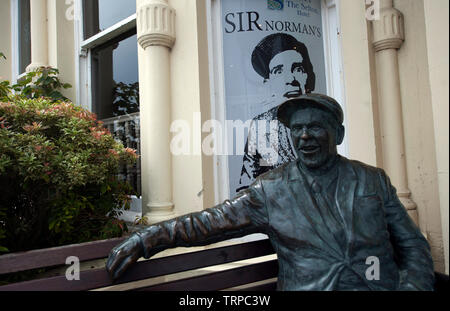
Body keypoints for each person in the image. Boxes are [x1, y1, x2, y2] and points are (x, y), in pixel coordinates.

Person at [106, 93, 435, 291]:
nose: (304, 136)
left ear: (339, 132)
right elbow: (205, 223)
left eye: (315, 126)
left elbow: (412, 243)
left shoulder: (372, 180)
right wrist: (145, 239)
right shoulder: (270, 190)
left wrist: (413, 285)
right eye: (297, 129)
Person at [236, 33, 316, 192]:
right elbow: (247, 185)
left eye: (298, 69)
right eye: (279, 71)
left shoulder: (321, 117)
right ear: (268, 83)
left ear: (307, 76)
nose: (290, 79)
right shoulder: (261, 125)